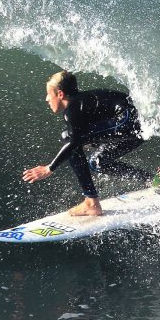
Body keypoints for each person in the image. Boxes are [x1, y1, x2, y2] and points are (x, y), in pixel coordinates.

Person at [22, 70, 152, 216]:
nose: (46, 99)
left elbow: (75, 141)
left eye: (48, 94)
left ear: (60, 94)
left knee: (68, 139)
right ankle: (154, 180)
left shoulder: (72, 109)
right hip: (137, 128)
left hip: (128, 122)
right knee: (97, 161)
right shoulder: (83, 104)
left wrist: (49, 168)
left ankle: (91, 202)